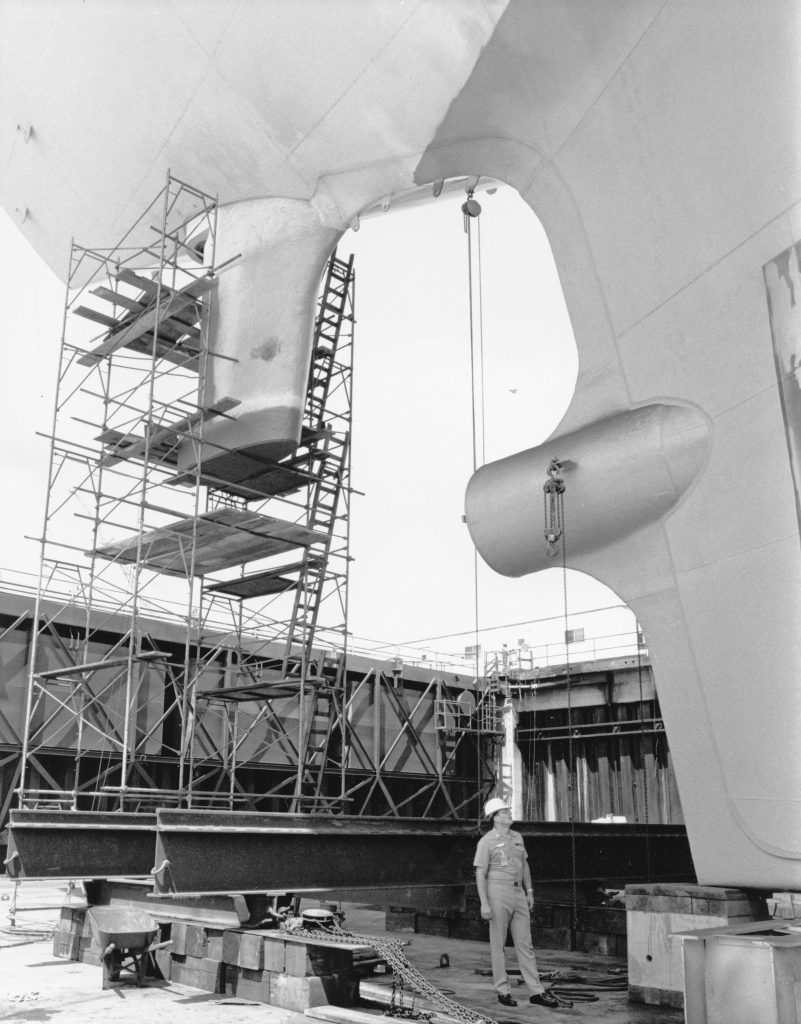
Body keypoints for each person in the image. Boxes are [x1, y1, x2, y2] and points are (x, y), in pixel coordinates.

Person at [474, 797, 561, 1009]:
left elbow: (525, 866)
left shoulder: (517, 837)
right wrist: (484, 903)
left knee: (526, 944)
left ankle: (536, 992)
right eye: (504, 812)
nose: (509, 814)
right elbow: (480, 872)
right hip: (497, 891)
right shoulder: (486, 842)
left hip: (518, 892)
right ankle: (503, 991)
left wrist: (529, 892)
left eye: (508, 811)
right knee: (498, 944)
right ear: (494, 818)